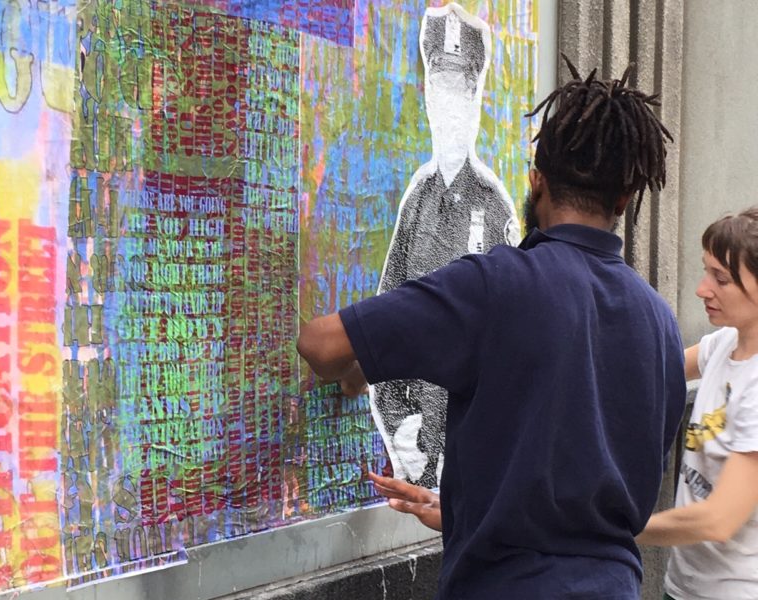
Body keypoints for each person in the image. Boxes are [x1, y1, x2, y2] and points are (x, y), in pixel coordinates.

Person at [296, 56, 686, 599]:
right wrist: (466, 510)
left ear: (536, 181)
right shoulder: (659, 322)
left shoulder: (497, 285)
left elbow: (320, 344)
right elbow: (588, 468)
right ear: (624, 199)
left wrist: (357, 369)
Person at [373, 3, 520, 489]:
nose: (448, 101)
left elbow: (509, 343)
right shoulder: (417, 199)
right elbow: (387, 316)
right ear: (429, 97)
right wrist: (400, 428)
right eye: (439, 86)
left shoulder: (494, 206)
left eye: (459, 88)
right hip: (416, 451)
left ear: (476, 95)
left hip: (467, 452)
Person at [635, 208, 758, 600]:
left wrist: (612, 529)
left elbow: (718, 520)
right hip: (684, 586)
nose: (702, 289)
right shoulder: (724, 344)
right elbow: (652, 370)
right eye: (706, 272)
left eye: (721, 279)